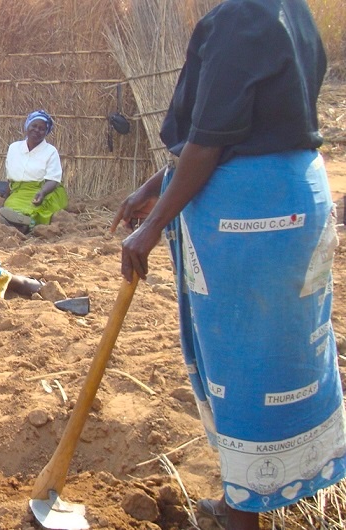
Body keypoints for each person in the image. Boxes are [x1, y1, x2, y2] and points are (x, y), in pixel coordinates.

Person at [112, 1, 344, 528]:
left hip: (250, 218)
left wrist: (153, 226)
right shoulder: (290, 9)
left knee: (244, 363)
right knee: (283, 354)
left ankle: (242, 512)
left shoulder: (239, 17)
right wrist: (157, 187)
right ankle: (253, 496)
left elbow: (212, 138)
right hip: (294, 195)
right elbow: (258, 120)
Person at [0, 110, 68, 231]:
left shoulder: (50, 151)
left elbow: (53, 180)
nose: (37, 130)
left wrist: (42, 193)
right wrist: (6, 195)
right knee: (11, 205)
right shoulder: (14, 148)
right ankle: (20, 224)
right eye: (34, 126)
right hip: (19, 191)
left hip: (42, 190)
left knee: (36, 207)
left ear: (46, 133)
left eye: (42, 129)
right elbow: (10, 176)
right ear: (27, 126)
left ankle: (26, 223)